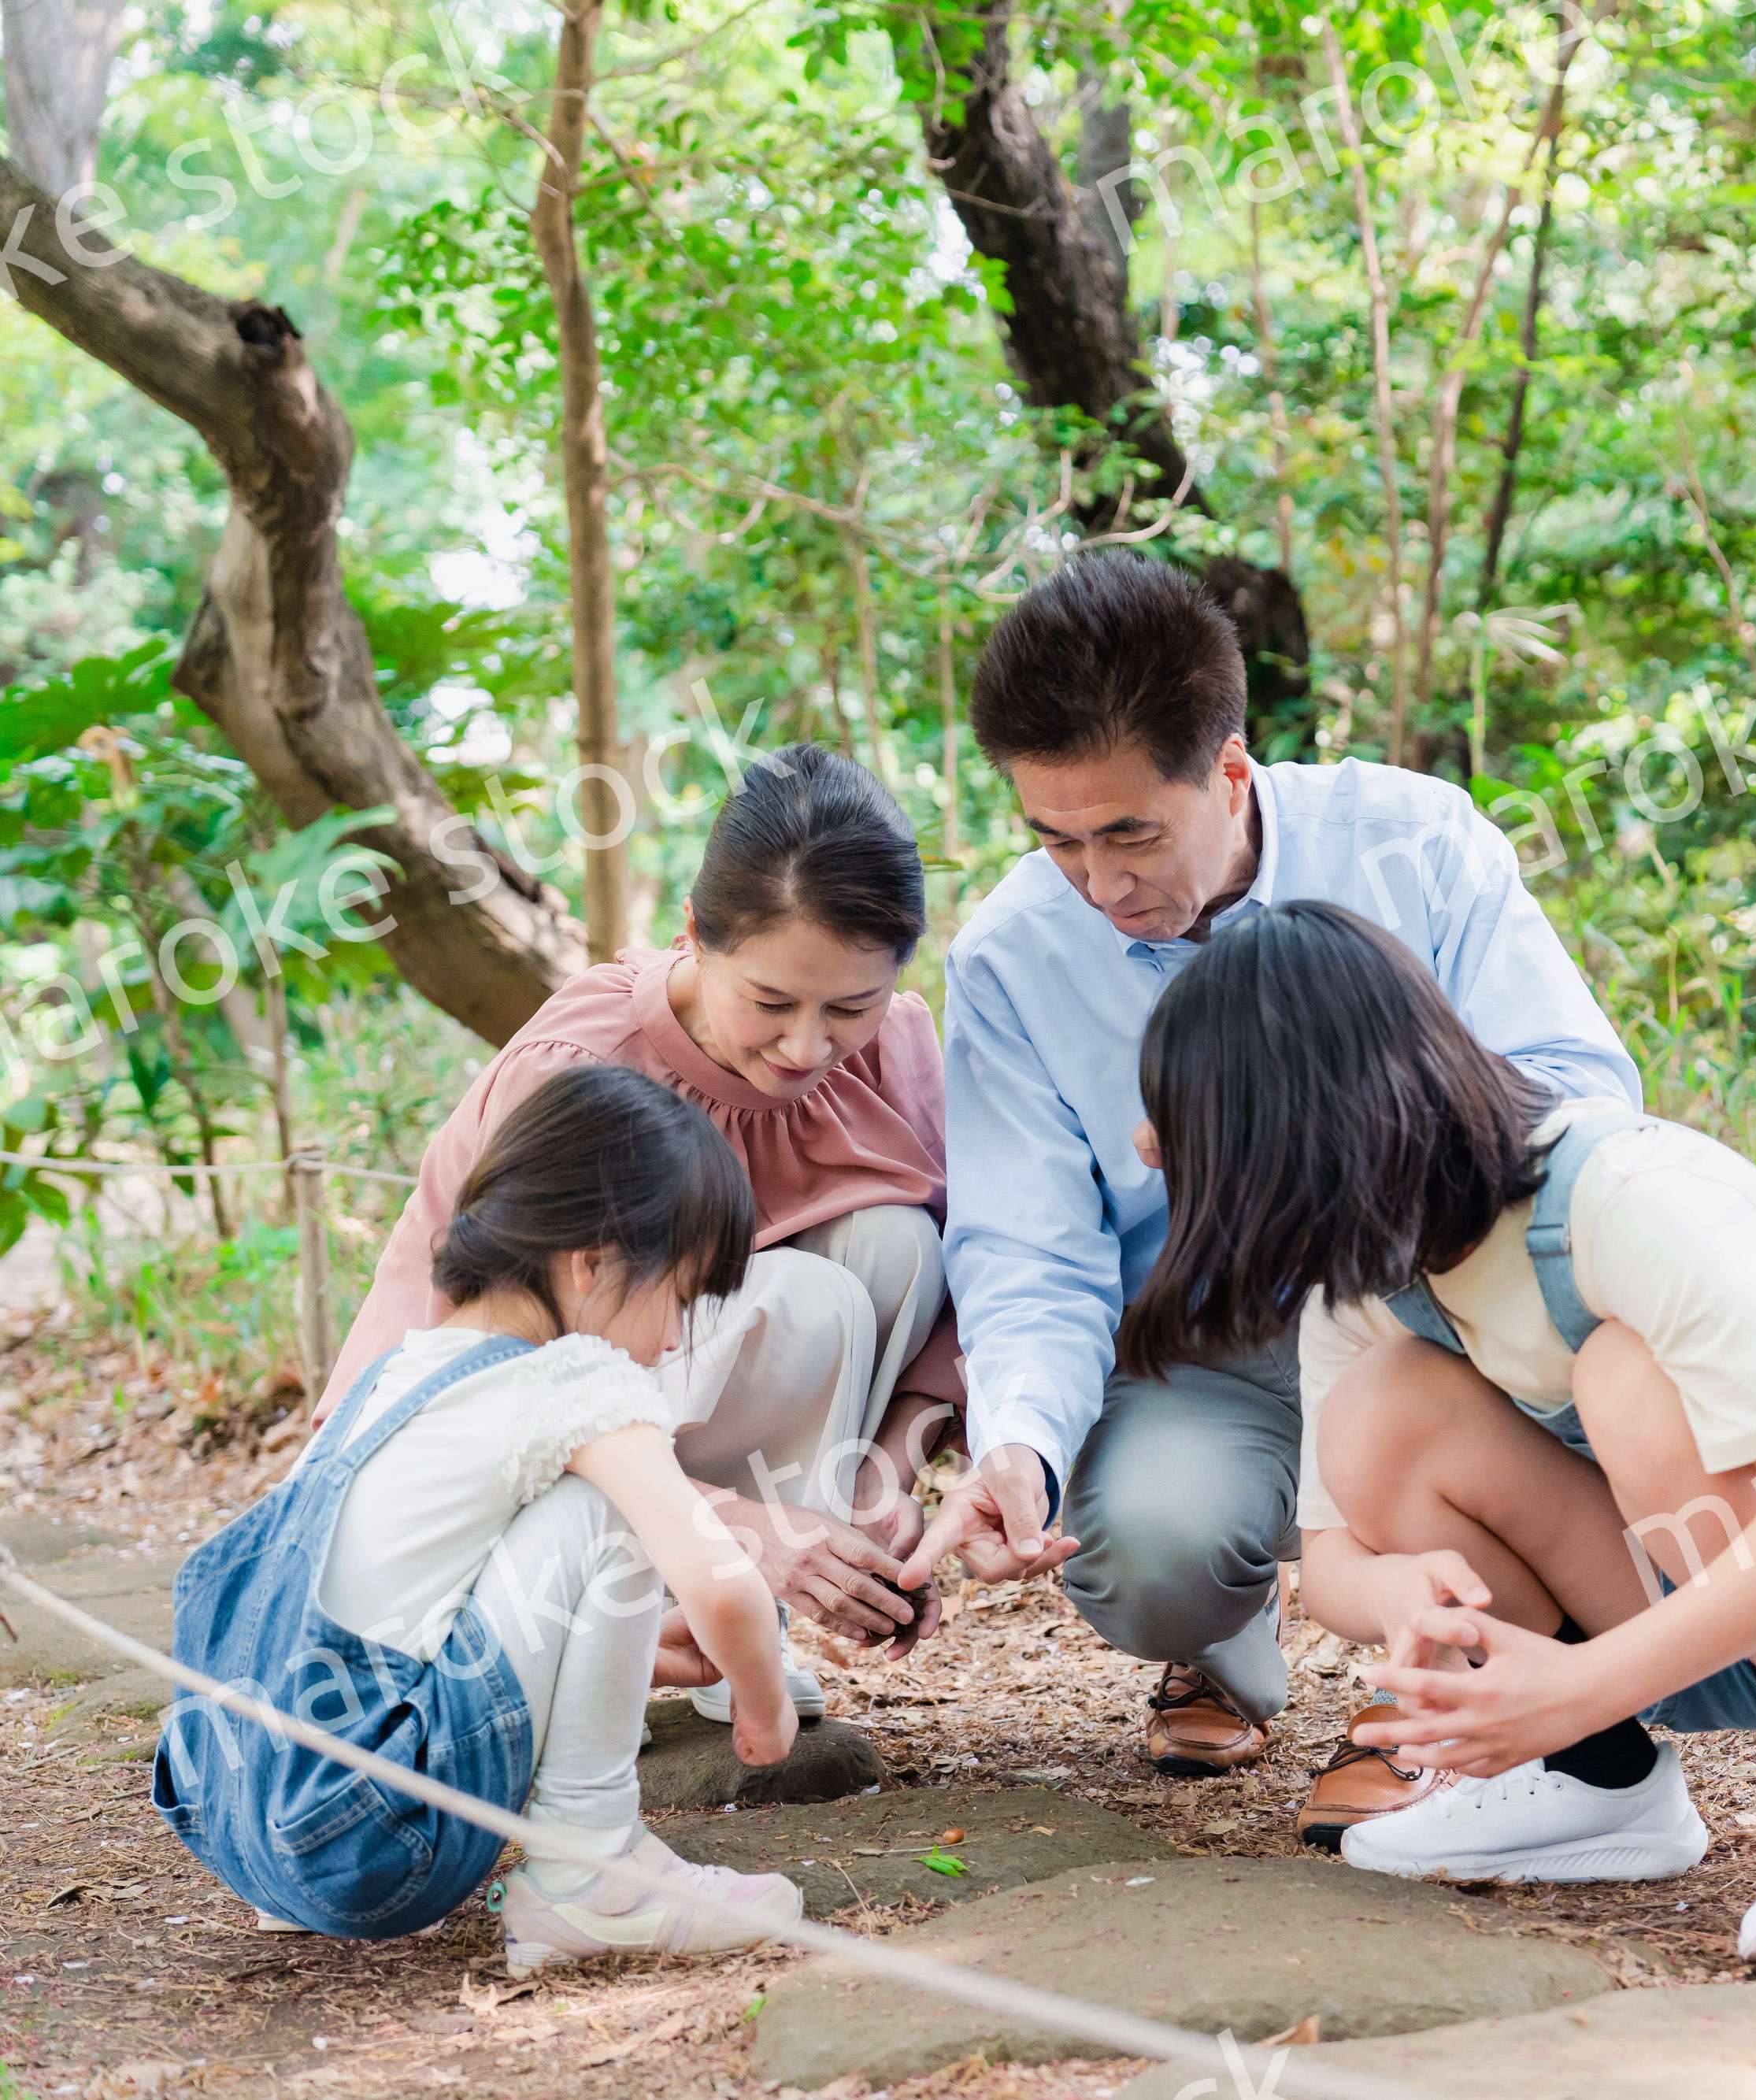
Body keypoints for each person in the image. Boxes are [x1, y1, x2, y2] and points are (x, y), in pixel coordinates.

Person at [1116, 902, 1756, 1969]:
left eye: (1212, 1148)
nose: (1166, 1161)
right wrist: (1406, 1594)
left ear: (1315, 1132)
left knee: (1625, 1375)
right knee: (1383, 1407)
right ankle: (1599, 1777)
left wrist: (1583, 1678)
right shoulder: (1364, 1268)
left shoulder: (1621, 1193)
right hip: (1704, 1593)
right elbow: (1332, 1566)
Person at [910, 552, 1637, 1820]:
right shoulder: (1012, 959)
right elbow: (1030, 1255)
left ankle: (1444, 1683)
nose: (1100, 882)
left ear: (1231, 769)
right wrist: (1018, 1442)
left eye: (1132, 830)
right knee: (1146, 1548)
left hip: (1434, 1305)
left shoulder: (1415, 843)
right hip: (1211, 1334)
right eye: (1056, 839)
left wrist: (1322, 1141)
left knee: (1500, 1400)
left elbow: (1575, 1089)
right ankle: (1228, 1625)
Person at [326, 744, 961, 1717]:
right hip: (483, 1433)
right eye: (770, 1002)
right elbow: (503, 1373)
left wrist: (882, 1482)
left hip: (696, 1412)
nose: (807, 1047)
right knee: (808, 1300)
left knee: (898, 1242)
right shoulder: (583, 1072)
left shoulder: (886, 1053)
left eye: (850, 1007)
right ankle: (657, 1608)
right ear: (694, 936)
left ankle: (734, 1627)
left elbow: (972, 1285)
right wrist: (737, 1527)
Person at [155, 1065, 807, 1976]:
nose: (671, 1341)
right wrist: (765, 1711)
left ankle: (302, 1899)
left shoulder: (399, 1372)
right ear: (594, 1262)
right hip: (375, 1839)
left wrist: (624, 1649)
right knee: (604, 1501)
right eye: (683, 1297)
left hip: (241, 1816)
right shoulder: (580, 1383)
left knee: (572, 1498)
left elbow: (391, 1609)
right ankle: (597, 1879)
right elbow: (725, 1588)